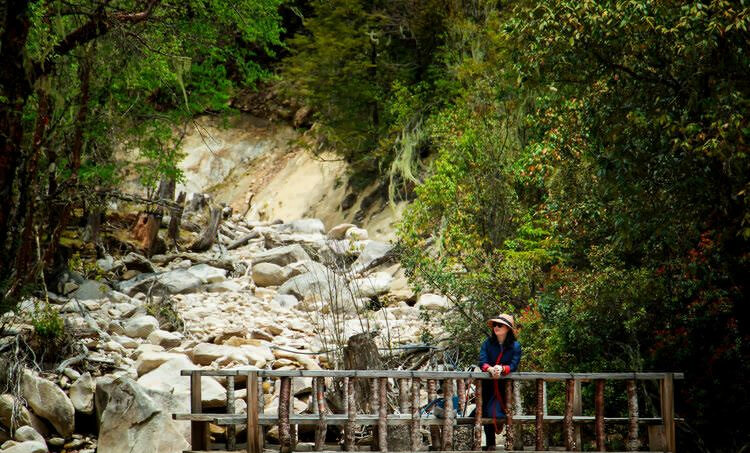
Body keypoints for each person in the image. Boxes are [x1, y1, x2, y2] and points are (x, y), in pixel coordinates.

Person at [477, 314, 521, 451]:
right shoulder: (487, 343)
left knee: (498, 412)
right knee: (484, 411)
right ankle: (491, 444)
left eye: (500, 325)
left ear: (507, 328)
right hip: (488, 384)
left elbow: (513, 365)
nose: (496, 327)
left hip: (504, 386)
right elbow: (482, 361)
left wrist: (502, 369)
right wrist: (489, 369)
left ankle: (508, 442)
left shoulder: (515, 346)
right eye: (495, 325)